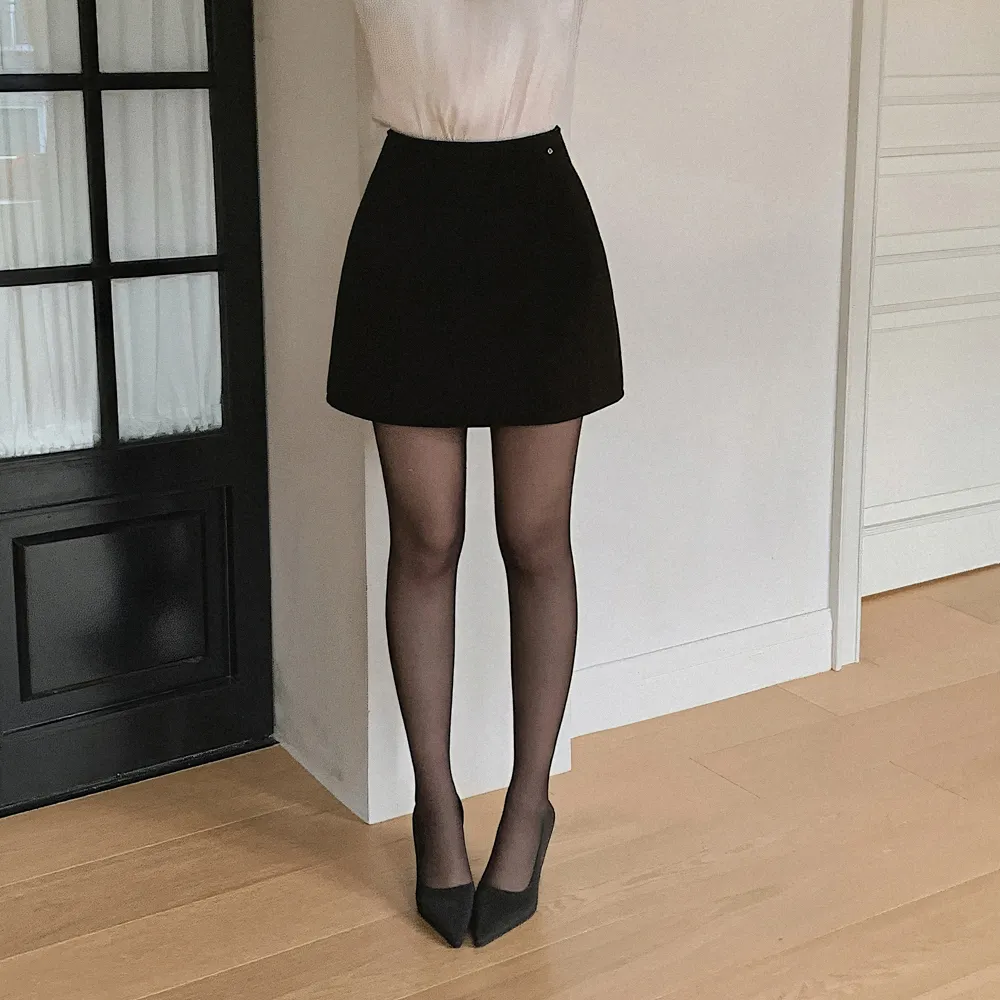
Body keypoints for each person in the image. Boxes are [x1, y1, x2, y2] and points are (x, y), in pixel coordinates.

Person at [327, 0, 624, 948]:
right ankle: (435, 804)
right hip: (407, 228)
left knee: (534, 537)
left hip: (540, 227)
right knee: (426, 538)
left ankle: (530, 805)